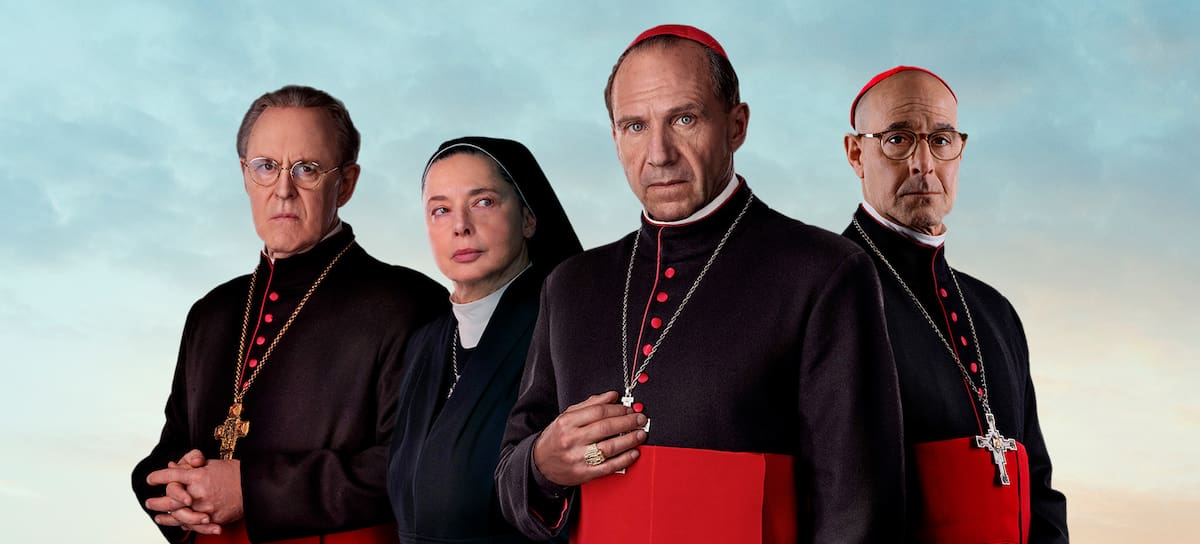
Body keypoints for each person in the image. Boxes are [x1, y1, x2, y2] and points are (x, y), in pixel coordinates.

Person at [495, 25, 905, 542]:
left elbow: (857, 510)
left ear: (736, 125)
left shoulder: (824, 272)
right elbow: (510, 473)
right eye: (635, 126)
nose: (659, 153)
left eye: (684, 119)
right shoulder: (570, 285)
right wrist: (543, 465)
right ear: (615, 139)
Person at [131, 85, 447, 543]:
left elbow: (415, 466)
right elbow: (175, 443)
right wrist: (166, 488)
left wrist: (252, 489)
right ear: (245, 176)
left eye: (307, 169)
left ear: (346, 183)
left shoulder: (410, 303)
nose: (283, 190)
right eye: (266, 167)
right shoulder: (212, 312)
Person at [842, 66, 1069, 543]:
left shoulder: (995, 311)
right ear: (856, 153)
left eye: (941, 141)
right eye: (898, 140)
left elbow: (1039, 489)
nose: (924, 164)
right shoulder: (823, 293)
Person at [386, 137, 582, 543]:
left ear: (528, 218)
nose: (460, 226)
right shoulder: (425, 343)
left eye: (483, 202)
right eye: (441, 210)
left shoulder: (566, 330)